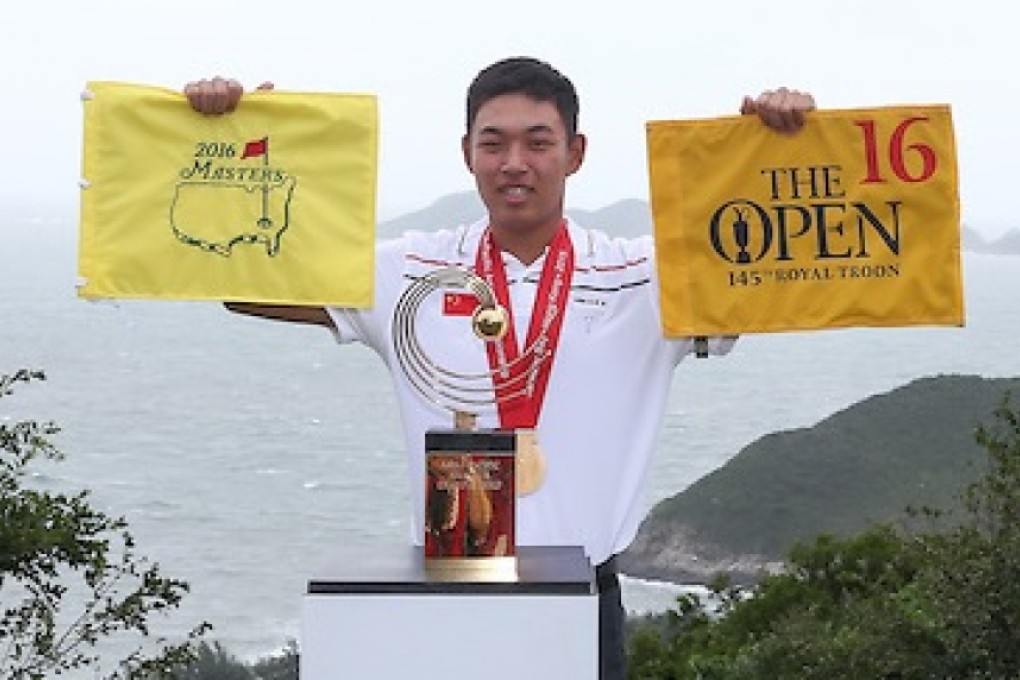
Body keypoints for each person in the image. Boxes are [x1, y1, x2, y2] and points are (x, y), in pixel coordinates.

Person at [185, 57, 814, 679]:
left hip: (586, 599)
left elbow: (788, 270)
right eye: (494, 143)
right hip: (449, 593)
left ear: (576, 153)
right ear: (467, 153)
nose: (515, 162)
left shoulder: (646, 276)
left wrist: (777, 150)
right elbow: (242, 283)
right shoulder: (408, 270)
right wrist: (233, 138)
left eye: (538, 142)